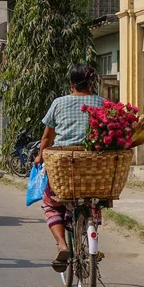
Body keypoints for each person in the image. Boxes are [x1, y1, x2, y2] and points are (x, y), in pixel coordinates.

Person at [33, 64, 104, 273]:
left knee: (51, 203)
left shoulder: (59, 103)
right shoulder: (103, 103)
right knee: (92, 200)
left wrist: (39, 156)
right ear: (92, 83)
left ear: (70, 84)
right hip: (94, 169)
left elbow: (47, 137)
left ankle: (62, 245)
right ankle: (91, 238)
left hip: (65, 166)